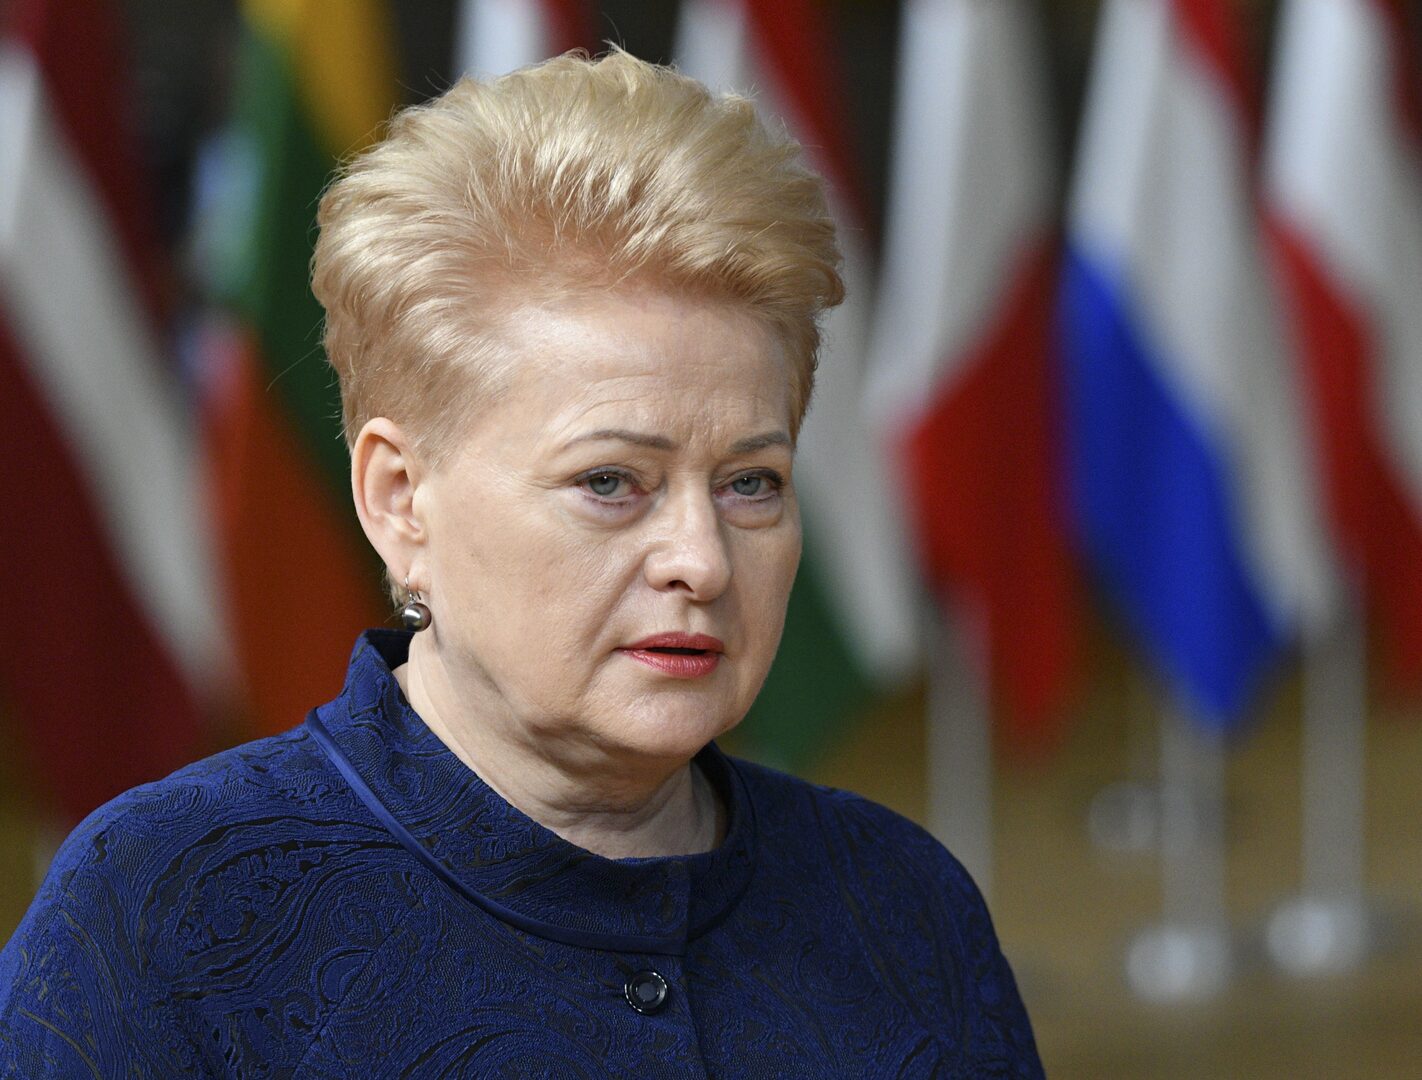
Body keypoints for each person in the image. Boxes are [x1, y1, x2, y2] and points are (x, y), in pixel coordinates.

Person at [0, 50, 1042, 1077]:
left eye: (750, 482)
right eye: (610, 481)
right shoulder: (160, 917)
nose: (703, 561)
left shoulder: (905, 906)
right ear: (400, 499)